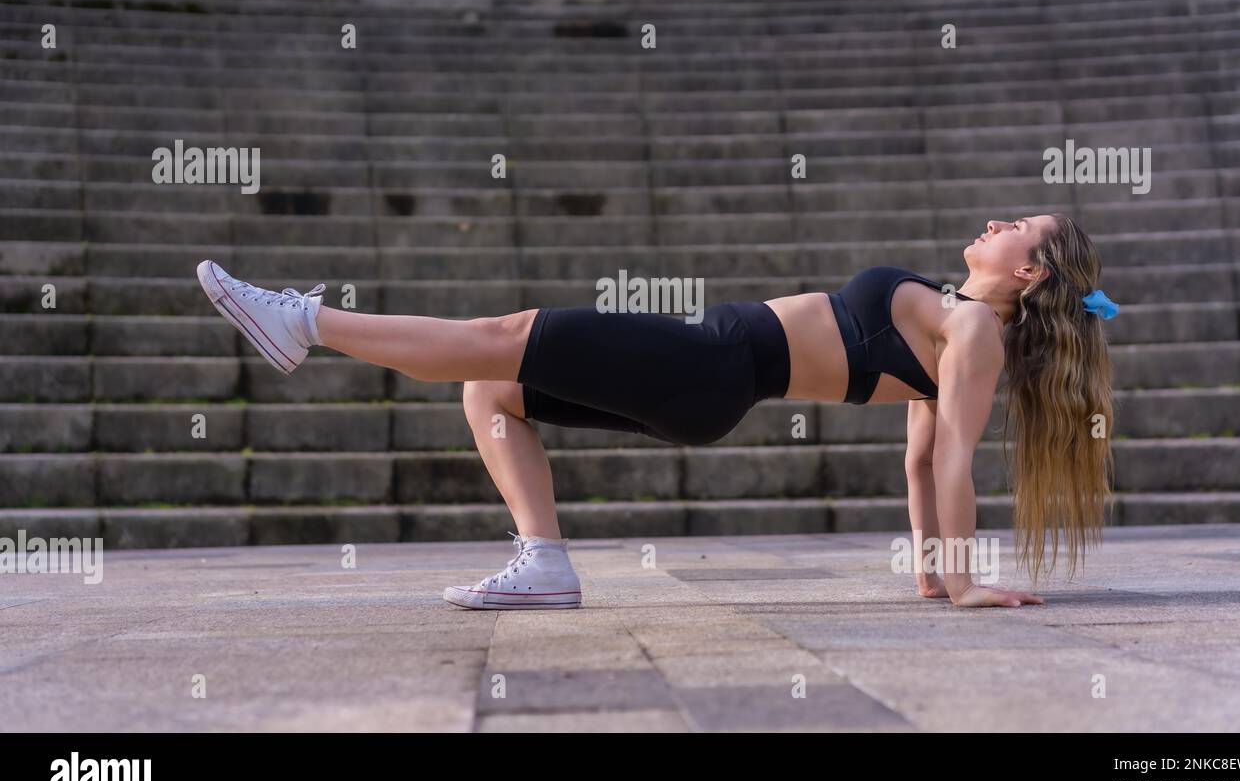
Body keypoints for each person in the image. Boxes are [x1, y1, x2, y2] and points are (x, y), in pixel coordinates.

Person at [196, 212, 1119, 611]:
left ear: (1029, 272)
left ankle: (303, 321)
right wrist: (929, 569)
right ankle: (545, 562)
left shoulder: (972, 331)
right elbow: (919, 462)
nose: (996, 224)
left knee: (501, 333)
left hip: (712, 362)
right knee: (493, 386)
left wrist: (959, 581)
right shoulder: (953, 322)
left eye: (1016, 230)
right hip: (707, 376)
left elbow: (950, 456)